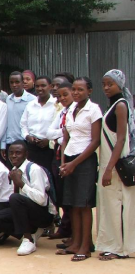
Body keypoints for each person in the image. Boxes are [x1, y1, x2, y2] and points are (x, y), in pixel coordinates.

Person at [57, 77, 101, 261]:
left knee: (83, 204)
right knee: (73, 204)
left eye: (80, 90)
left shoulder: (94, 109)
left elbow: (95, 140)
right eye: (74, 89)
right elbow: (66, 138)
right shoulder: (70, 109)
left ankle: (86, 245)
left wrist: (74, 164)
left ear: (89, 91)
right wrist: (63, 162)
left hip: (85, 161)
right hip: (70, 160)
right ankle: (76, 242)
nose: (76, 93)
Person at [0, 141, 57, 255]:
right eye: (11, 153)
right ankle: (30, 231)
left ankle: (28, 238)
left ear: (26, 154)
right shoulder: (14, 170)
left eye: (18, 153)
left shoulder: (34, 169)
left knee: (16, 198)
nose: (14, 156)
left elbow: (42, 200)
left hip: (43, 214)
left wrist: (21, 183)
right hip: (25, 210)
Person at [97, 69, 135, 260]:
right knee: (109, 205)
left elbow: (120, 140)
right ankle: (113, 245)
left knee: (118, 205)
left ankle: (119, 248)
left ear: (119, 85)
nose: (106, 88)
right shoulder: (112, 105)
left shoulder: (120, 106)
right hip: (108, 163)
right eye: (104, 84)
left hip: (114, 164)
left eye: (110, 84)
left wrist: (109, 168)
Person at [46, 82, 74, 240]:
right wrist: (61, 133)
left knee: (71, 197)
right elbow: (49, 132)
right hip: (57, 156)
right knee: (61, 195)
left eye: (66, 94)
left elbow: (70, 132)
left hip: (70, 158)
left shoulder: (75, 111)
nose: (62, 98)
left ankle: (71, 231)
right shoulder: (62, 112)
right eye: (60, 95)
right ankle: (65, 227)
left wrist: (63, 134)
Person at [21, 75, 57, 171]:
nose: (40, 88)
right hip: (32, 147)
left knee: (48, 176)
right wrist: (28, 136)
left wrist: (49, 141)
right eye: (37, 86)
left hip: (49, 148)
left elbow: (60, 128)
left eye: (43, 86)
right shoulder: (30, 105)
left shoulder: (56, 105)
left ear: (50, 86)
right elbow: (23, 124)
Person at [1, 71, 35, 166]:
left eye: (17, 82)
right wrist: (3, 145)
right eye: (11, 82)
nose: (14, 85)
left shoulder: (32, 100)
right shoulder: (8, 99)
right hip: (10, 143)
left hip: (25, 142)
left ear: (22, 82)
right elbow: (5, 123)